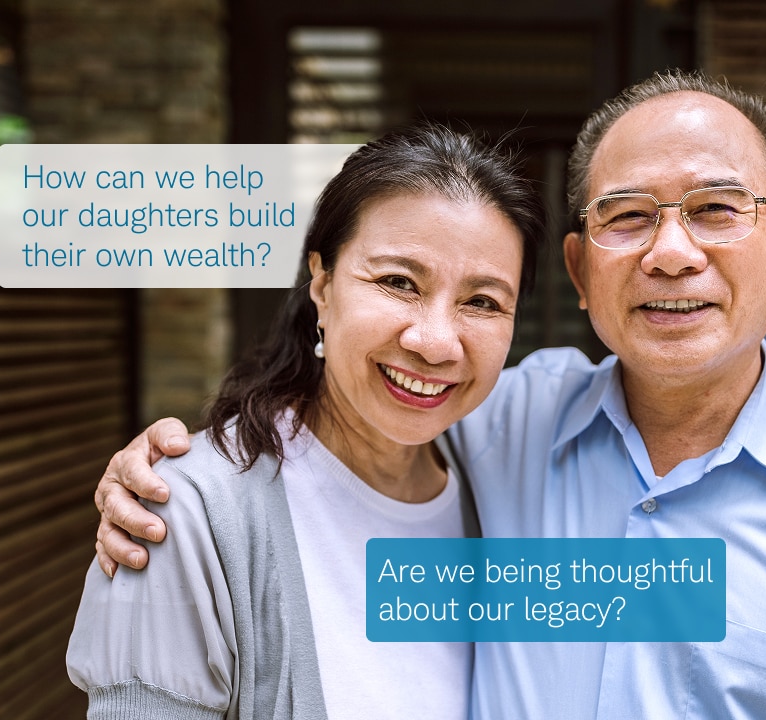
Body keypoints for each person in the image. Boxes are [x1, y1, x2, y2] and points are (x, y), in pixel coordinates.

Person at [91, 70, 766, 719]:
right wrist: (180, 478)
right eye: (628, 216)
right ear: (581, 272)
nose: (672, 253)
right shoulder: (503, 425)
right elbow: (342, 428)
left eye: (716, 208)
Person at [66, 125, 546, 720]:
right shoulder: (187, 513)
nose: (436, 342)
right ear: (322, 283)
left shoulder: (500, 484)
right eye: (398, 282)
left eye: (482, 302)